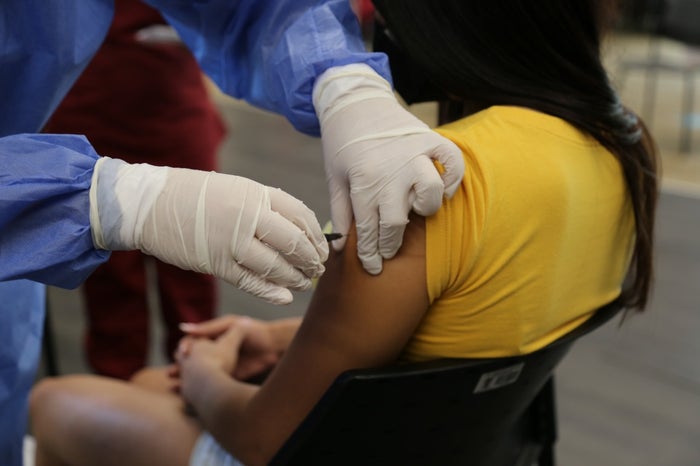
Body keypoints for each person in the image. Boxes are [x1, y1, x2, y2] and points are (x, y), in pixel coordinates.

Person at [28, 0, 660, 465]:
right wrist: (274, 336)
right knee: (144, 384)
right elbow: (476, 328)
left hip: (336, 449)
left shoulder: (423, 188)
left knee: (53, 401)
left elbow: (265, 441)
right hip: (469, 443)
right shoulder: (624, 144)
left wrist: (201, 374)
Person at [0, 0, 464, 463]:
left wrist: (342, 79)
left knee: (58, 399)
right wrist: (92, 201)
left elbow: (252, 8)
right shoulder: (475, 175)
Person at [43, 0, 226, 380]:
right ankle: (118, 387)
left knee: (193, 259)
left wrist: (219, 30)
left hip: (167, 99)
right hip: (85, 104)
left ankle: (198, 383)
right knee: (107, 267)